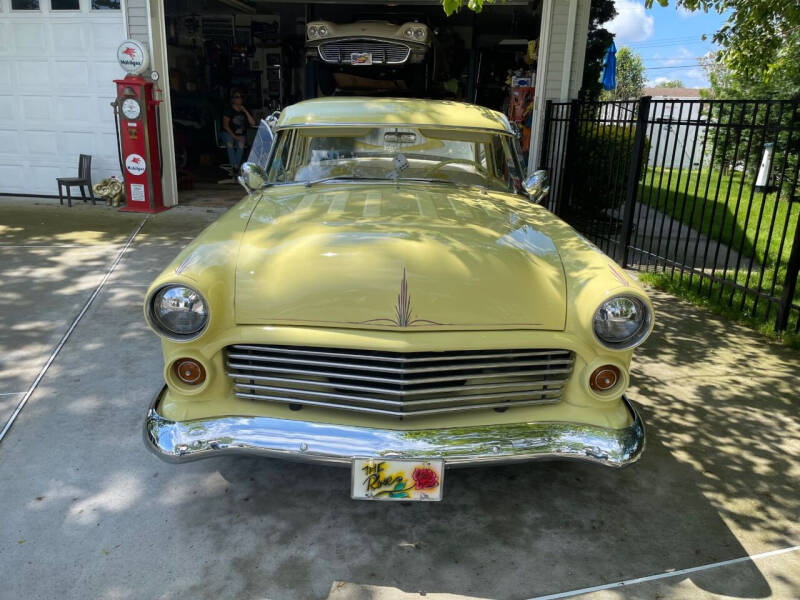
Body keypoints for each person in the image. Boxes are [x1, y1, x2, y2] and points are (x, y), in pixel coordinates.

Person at [221, 89, 256, 175]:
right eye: (237, 97)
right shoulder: (228, 110)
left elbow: (253, 123)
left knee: (241, 144)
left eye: (241, 97)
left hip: (240, 134)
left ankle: (235, 168)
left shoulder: (244, 110)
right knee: (230, 143)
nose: (239, 99)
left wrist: (245, 111)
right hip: (227, 133)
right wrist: (235, 137)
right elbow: (225, 126)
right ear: (233, 99)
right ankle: (235, 167)